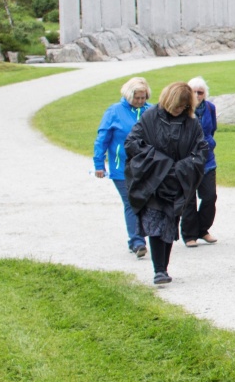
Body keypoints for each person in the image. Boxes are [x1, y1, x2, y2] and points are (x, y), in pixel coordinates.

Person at [123, 80, 209, 286]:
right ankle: (159, 270)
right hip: (153, 182)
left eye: (183, 106)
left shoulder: (192, 123)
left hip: (177, 182)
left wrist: (179, 169)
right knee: (155, 225)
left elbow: (201, 151)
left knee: (169, 224)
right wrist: (161, 163)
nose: (179, 110)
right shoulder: (150, 117)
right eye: (177, 105)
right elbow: (132, 143)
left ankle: (164, 267)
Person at [93, 76, 151, 259]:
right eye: (136, 98)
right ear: (128, 95)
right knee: (131, 202)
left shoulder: (151, 111)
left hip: (147, 167)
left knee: (146, 202)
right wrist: (99, 164)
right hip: (121, 168)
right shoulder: (114, 111)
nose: (140, 101)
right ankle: (137, 241)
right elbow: (102, 138)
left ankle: (144, 235)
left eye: (143, 98)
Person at [180, 77, 220, 245]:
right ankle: (189, 234)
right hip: (188, 159)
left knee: (210, 196)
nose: (197, 95)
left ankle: (203, 229)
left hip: (207, 158)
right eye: (194, 92)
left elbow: (213, 128)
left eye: (200, 92)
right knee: (189, 198)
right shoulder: (182, 109)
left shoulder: (210, 107)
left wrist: (209, 143)